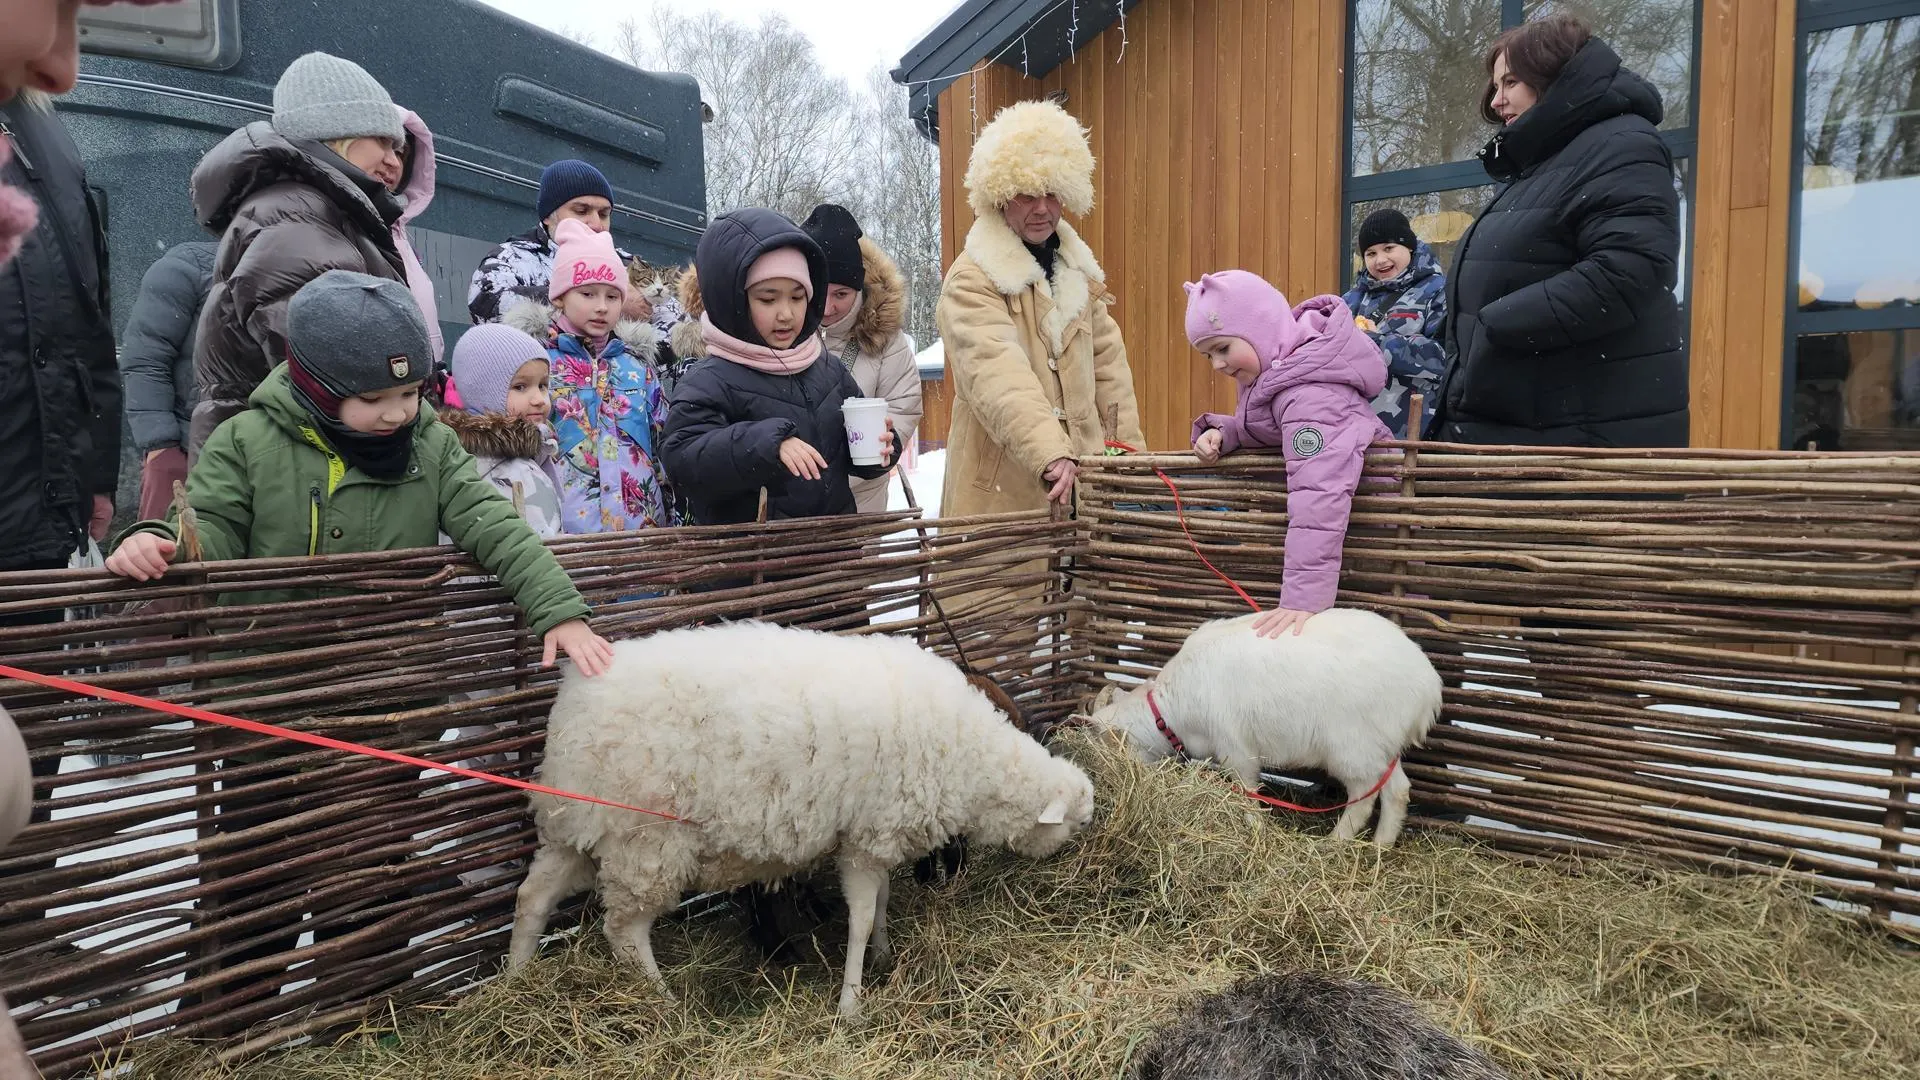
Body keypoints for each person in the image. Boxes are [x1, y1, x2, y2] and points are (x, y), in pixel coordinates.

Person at [2, 3, 171, 1070]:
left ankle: (25, 927)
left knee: (36, 729)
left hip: (42, 504)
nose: (73, 44)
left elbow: (82, 326)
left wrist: (95, 488)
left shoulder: (46, 135)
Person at [1429, 13, 1686, 447]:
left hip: (1574, 436)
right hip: (1531, 425)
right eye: (1496, 86)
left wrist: (1494, 327)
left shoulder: (1621, 145)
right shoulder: (1552, 161)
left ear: (1554, 77)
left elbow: (1631, 269)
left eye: (1510, 83)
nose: (1496, 101)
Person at [187, 51, 413, 460]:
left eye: (398, 148)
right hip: (295, 468)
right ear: (335, 133)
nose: (394, 161)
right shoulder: (301, 218)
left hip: (284, 461)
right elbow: (336, 371)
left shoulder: (312, 211)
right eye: (382, 140)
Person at [937, 100, 1143, 520]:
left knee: (1078, 586)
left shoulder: (1080, 277)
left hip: (1085, 496)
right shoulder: (972, 280)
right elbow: (995, 372)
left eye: (1053, 193)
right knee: (1002, 587)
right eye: (1027, 194)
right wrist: (1048, 450)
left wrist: (1128, 462)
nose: (1043, 208)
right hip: (1000, 501)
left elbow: (1110, 377)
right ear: (998, 195)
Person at [660, 207, 897, 527]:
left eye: (797, 297)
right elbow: (683, 461)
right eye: (768, 300)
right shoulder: (709, 380)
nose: (786, 313)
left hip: (832, 557)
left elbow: (849, 453)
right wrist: (764, 445)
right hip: (754, 568)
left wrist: (882, 447)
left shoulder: (826, 369)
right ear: (735, 302)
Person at [1186, 271, 1390, 639]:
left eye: (1223, 348)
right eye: (1207, 355)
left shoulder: (1311, 395)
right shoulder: (1281, 375)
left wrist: (1303, 599)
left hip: (1376, 547)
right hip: (1346, 549)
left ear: (1260, 328)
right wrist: (1222, 432)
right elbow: (1266, 433)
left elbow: (1319, 496)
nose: (1217, 365)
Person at [500, 218, 674, 533]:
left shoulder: (638, 369)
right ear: (560, 297)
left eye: (612, 296)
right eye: (588, 294)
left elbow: (664, 443)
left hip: (640, 532)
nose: (601, 307)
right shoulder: (538, 363)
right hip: (565, 532)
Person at [802, 203, 923, 514]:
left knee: (858, 564)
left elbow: (903, 404)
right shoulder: (783, 329)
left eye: (841, 295)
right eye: (819, 292)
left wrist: (881, 444)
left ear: (859, 289)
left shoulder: (884, 336)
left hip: (861, 500)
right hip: (795, 499)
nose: (828, 308)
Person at [466, 158, 644, 326]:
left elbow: (669, 336)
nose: (597, 224)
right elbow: (484, 303)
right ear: (548, 217)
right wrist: (611, 303)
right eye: (581, 211)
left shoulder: (630, 265)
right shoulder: (511, 258)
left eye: (604, 214)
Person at [120, 240, 217, 520]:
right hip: (185, 447)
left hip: (267, 457)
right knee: (165, 552)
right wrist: (161, 446)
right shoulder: (191, 266)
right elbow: (145, 359)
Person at [442, 322, 563, 538]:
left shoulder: (531, 451)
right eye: (520, 387)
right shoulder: (491, 468)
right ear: (482, 391)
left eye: (543, 385)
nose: (539, 400)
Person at [1342, 209, 1446, 439]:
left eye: (1388, 248)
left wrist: (1376, 345)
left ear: (1408, 246)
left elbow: (1444, 358)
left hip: (1411, 434)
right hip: (1353, 431)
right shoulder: (1351, 298)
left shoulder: (1439, 291)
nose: (1380, 260)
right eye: (1370, 253)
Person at [392, 106, 444, 372]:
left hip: (414, 386)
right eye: (382, 146)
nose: (393, 163)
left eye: (400, 152)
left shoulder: (397, 229)